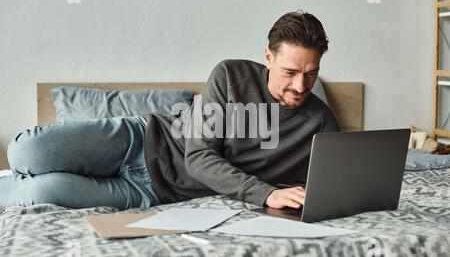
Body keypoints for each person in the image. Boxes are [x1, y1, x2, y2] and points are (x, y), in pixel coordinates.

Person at [0, 11, 340, 211]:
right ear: (268, 57)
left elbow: (335, 189)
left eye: (311, 74)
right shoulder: (231, 75)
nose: (300, 86)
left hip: (155, 192)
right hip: (140, 139)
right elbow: (200, 157)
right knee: (25, 151)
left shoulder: (322, 122)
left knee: (38, 193)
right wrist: (267, 193)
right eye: (290, 73)